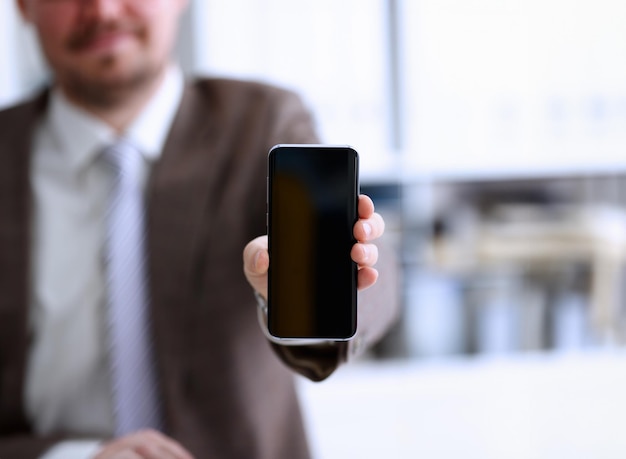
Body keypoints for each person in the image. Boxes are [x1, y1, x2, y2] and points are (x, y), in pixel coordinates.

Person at [0, 0, 400, 458]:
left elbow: (377, 278)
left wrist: (332, 278)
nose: (104, 10)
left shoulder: (260, 121)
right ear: (23, 8)